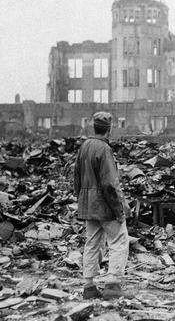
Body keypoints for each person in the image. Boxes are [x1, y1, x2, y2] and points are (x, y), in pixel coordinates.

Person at [74, 111, 130, 300]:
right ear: (109, 129)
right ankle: (112, 283)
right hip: (105, 206)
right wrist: (119, 209)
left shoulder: (84, 146)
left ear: (94, 127)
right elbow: (110, 184)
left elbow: (76, 178)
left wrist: (83, 200)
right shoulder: (104, 149)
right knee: (119, 240)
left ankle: (89, 286)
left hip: (88, 205)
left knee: (92, 243)